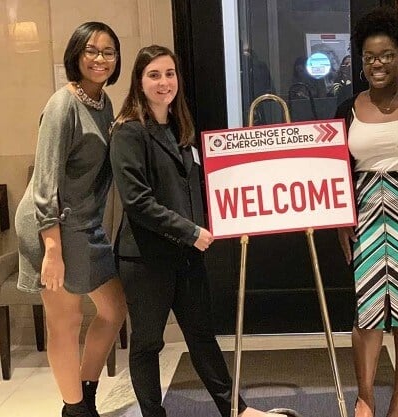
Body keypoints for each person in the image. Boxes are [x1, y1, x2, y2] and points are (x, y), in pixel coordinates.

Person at [109, 45, 284, 417]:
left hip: (186, 257)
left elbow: (199, 187)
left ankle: (236, 410)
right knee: (148, 343)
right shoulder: (128, 132)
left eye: (169, 74)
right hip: (146, 259)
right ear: (139, 81)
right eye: (154, 75)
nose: (164, 82)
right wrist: (190, 231)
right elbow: (137, 202)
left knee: (202, 338)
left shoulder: (181, 127)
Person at [15, 22, 127, 417]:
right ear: (76, 55)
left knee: (114, 309)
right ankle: (75, 408)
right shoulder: (63, 105)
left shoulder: (103, 101)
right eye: (91, 50)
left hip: (84, 224)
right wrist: (52, 250)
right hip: (52, 224)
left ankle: (85, 392)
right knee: (66, 320)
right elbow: (44, 183)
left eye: (108, 52)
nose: (100, 59)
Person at [335, 7, 398, 417]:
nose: (377, 63)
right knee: (367, 310)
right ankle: (365, 396)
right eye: (370, 56)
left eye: (387, 55)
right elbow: (334, 169)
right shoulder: (346, 107)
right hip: (363, 213)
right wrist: (341, 220)